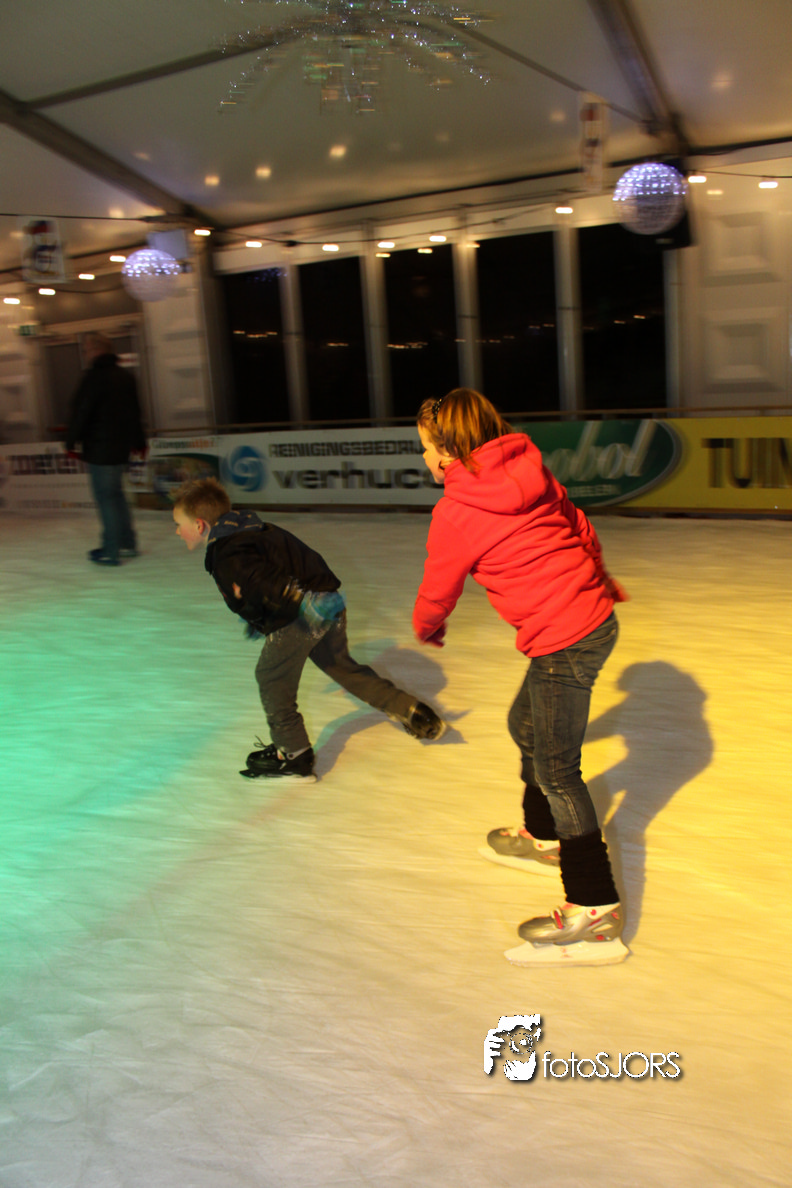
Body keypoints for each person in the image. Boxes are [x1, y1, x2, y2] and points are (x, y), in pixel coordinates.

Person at [412, 388, 628, 965]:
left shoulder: (456, 510)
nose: (425, 458)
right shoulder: (528, 467)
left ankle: (595, 908)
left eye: (426, 447)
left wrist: (427, 625)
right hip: (589, 620)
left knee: (559, 771)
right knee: (525, 725)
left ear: (448, 451)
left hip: (564, 637)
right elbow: (578, 524)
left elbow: (439, 584)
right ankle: (544, 836)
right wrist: (596, 578)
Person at [172, 477, 445, 781]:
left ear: (199, 525)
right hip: (328, 601)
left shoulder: (227, 551)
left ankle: (293, 752)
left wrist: (301, 604)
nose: (177, 531)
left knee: (271, 675)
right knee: (342, 668)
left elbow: (264, 581)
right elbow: (280, 570)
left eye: (178, 524)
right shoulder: (253, 530)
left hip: (304, 613)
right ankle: (411, 709)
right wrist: (260, 616)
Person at [66, 332, 146, 566]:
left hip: (100, 449)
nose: (85, 354)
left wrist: (70, 441)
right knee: (117, 495)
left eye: (87, 350)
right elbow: (135, 413)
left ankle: (111, 550)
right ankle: (128, 544)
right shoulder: (126, 377)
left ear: (95, 350)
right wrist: (139, 442)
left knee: (106, 498)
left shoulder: (93, 377)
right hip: (120, 448)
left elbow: (81, 412)